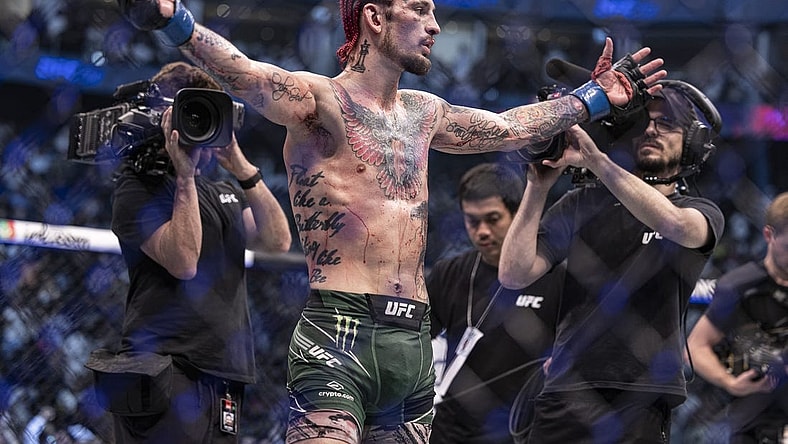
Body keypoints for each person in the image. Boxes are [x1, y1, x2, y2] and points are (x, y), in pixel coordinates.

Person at [117, 1, 666, 442]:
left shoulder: (425, 114)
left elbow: (507, 128)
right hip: (340, 329)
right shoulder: (318, 101)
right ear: (376, 18)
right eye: (421, 11)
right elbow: (246, 74)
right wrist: (175, 19)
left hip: (413, 340)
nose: (436, 25)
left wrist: (593, 99)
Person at [498, 82, 726, 443]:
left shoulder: (698, 211)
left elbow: (673, 225)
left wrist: (596, 161)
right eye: (645, 123)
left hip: (642, 391)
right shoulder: (582, 203)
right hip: (565, 388)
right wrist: (537, 187)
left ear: (692, 143)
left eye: (666, 123)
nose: (651, 130)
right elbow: (513, 273)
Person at [104, 61, 292, 442]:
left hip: (223, 372)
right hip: (164, 369)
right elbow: (184, 261)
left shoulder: (222, 192)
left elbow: (277, 240)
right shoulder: (137, 188)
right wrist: (185, 177)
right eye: (191, 114)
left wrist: (240, 166)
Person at [427, 162, 563, 443]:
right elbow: (419, 339)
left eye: (493, 219)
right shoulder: (449, 273)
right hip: (447, 426)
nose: (482, 231)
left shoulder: (554, 276)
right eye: (472, 221)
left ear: (516, 215)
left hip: (519, 427)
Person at [686, 192, 788, 444]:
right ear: (769, 236)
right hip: (755, 424)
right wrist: (730, 382)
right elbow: (695, 346)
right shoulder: (739, 287)